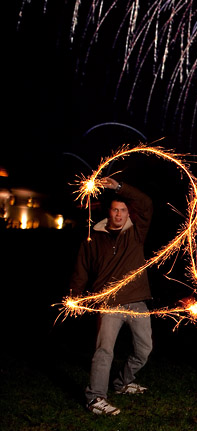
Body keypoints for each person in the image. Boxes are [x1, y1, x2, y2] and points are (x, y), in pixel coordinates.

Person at [70, 177, 154, 415]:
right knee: (104, 351)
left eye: (123, 210)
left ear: (129, 214)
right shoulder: (93, 238)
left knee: (144, 350)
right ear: (109, 212)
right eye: (115, 210)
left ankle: (122, 382)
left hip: (137, 302)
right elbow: (81, 268)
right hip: (108, 304)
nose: (119, 214)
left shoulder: (136, 234)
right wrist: (75, 295)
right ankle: (96, 398)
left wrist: (120, 187)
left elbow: (146, 203)